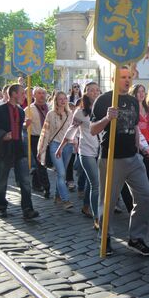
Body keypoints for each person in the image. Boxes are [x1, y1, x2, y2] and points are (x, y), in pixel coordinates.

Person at [90, 66, 149, 256]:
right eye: (123, 77)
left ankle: (136, 238)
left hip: (132, 158)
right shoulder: (104, 100)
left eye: (129, 77)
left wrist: (139, 149)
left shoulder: (133, 101)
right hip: (111, 158)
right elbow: (93, 129)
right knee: (107, 202)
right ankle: (105, 237)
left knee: (145, 196)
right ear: (113, 79)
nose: (127, 80)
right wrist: (107, 118)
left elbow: (134, 127)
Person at [0, 84, 39, 219]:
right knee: (2, 181)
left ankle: (27, 209)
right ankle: (1, 206)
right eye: (22, 93)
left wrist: (23, 126)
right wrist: (3, 136)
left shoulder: (21, 111)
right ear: (14, 94)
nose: (25, 96)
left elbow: (17, 127)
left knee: (25, 180)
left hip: (19, 149)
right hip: (3, 150)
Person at [57, 89, 100, 228]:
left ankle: (86, 206)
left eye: (98, 90)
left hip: (100, 150)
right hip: (86, 150)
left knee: (91, 182)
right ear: (86, 93)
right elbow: (71, 130)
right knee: (96, 184)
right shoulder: (80, 112)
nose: (96, 92)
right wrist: (60, 147)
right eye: (93, 90)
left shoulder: (103, 109)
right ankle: (97, 218)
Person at [37, 91, 74, 209]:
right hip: (54, 145)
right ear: (56, 101)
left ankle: (58, 196)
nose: (63, 101)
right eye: (60, 99)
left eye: (64, 99)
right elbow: (45, 132)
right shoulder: (50, 114)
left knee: (60, 174)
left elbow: (73, 131)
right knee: (62, 173)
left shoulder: (70, 114)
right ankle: (65, 200)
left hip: (68, 146)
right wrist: (41, 148)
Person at [27, 87, 51, 198]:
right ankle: (47, 188)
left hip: (49, 138)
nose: (41, 95)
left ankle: (36, 183)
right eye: (39, 93)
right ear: (34, 95)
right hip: (36, 138)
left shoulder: (50, 108)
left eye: (43, 93)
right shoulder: (29, 109)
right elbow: (23, 125)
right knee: (41, 163)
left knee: (43, 162)